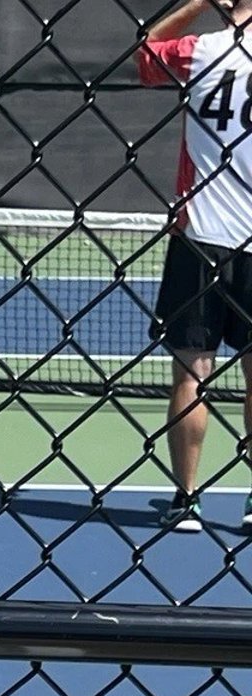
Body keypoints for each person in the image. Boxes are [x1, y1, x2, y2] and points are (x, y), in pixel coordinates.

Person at [139, 0, 252, 531]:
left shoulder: (201, 50)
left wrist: (197, 4)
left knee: (192, 371)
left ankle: (186, 499)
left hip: (201, 238)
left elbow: (144, 52)